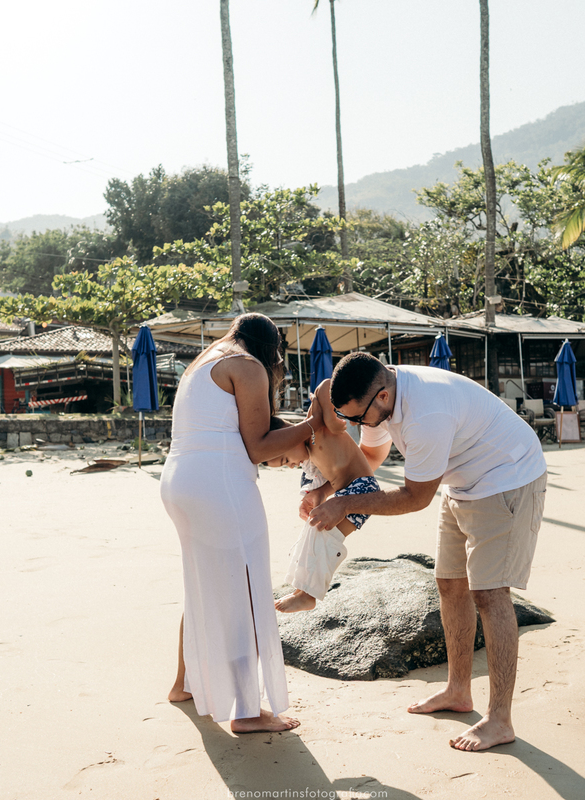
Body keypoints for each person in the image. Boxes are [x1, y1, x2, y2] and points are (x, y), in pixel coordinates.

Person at [305, 353, 547, 752]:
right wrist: (324, 490)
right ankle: (457, 691)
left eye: (359, 418)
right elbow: (371, 457)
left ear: (383, 396)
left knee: (490, 593)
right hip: (463, 481)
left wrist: (345, 505)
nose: (358, 425)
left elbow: (414, 497)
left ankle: (500, 719)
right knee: (450, 584)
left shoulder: (425, 413)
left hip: (508, 477)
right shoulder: (381, 400)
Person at [161, 313, 321, 734]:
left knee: (204, 585)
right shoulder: (248, 366)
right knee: (246, 591)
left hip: (180, 482)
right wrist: (314, 424)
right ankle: (247, 712)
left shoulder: (205, 360)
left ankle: (184, 685)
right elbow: (259, 447)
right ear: (272, 349)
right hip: (220, 485)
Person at [263, 378, 381, 613]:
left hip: (362, 490)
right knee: (312, 532)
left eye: (285, 459)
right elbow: (333, 480)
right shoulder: (310, 457)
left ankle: (309, 595)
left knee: (326, 536)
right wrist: (319, 493)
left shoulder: (316, 426)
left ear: (288, 434)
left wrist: (331, 419)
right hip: (347, 491)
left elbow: (325, 385)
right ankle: (301, 589)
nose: (291, 465)